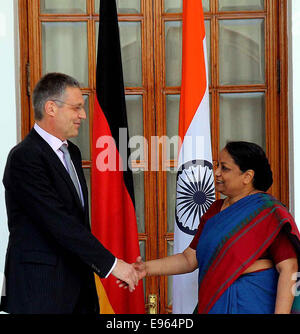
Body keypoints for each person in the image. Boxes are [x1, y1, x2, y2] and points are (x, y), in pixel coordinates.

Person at [0, 72, 139, 314]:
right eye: (76, 108)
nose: (83, 115)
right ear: (51, 108)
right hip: (41, 291)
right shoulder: (25, 157)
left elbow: (77, 222)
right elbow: (58, 221)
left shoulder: (71, 152)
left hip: (78, 288)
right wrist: (112, 265)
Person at [132, 141, 300, 314]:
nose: (216, 173)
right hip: (215, 304)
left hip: (252, 303)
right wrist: (146, 268)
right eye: (217, 165)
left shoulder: (269, 212)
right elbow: (189, 259)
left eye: (225, 168)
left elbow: (289, 268)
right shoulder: (214, 210)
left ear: (247, 176)